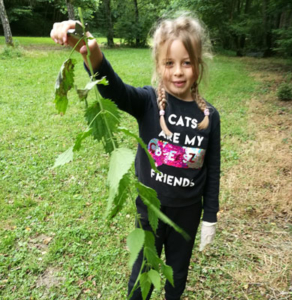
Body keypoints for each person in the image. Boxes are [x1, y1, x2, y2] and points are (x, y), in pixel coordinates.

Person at [51, 12, 220, 300]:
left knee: (177, 275)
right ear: (159, 65)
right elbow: (116, 91)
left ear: (198, 65)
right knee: (141, 274)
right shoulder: (148, 103)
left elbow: (213, 168)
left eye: (186, 63)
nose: (178, 71)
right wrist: (93, 53)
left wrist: (210, 216)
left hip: (188, 212)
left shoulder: (209, 115)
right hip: (150, 211)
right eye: (169, 63)